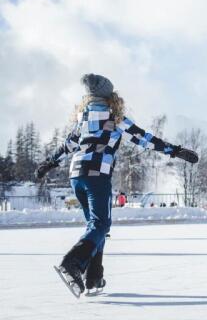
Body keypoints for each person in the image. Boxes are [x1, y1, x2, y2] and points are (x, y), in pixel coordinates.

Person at [34, 74, 198, 296]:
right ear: (110, 96)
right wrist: (175, 150)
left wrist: (47, 164)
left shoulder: (83, 120)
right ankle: (73, 263)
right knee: (100, 225)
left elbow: (66, 147)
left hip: (76, 176)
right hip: (97, 175)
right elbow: (145, 139)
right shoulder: (114, 118)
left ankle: (93, 277)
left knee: (96, 226)